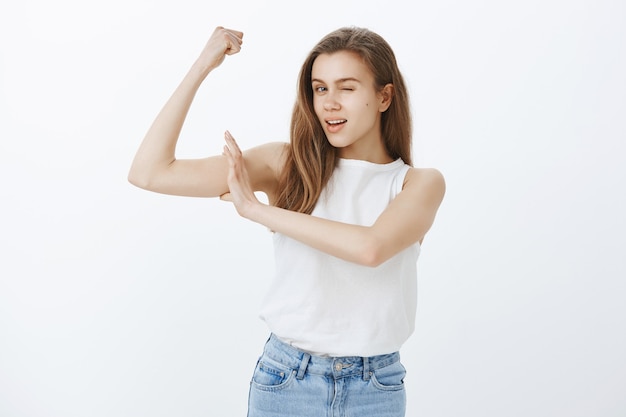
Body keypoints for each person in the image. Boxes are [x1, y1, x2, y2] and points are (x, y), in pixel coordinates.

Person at [129, 25, 445, 417]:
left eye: (347, 88)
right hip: (287, 382)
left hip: (375, 388)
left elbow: (371, 248)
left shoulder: (417, 183)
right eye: (320, 88)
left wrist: (259, 211)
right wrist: (202, 65)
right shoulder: (287, 164)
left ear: (384, 96)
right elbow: (150, 172)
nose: (329, 102)